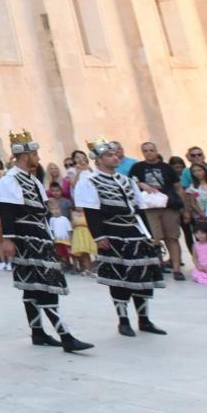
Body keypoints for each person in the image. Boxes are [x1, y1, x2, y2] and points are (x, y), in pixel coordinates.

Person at [0, 131, 92, 355]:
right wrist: (8, 239)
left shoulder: (32, 179)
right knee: (45, 285)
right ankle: (65, 335)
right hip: (25, 237)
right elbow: (7, 212)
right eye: (34, 153)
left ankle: (37, 332)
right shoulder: (9, 180)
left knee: (32, 287)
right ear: (25, 155)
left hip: (39, 235)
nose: (38, 158)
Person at [76, 138, 166, 336]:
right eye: (109, 155)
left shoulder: (126, 180)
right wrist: (99, 237)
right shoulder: (91, 181)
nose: (115, 157)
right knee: (119, 278)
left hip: (134, 232)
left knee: (142, 275)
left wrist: (148, 234)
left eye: (115, 154)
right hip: (112, 231)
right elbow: (92, 212)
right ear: (98, 160)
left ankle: (144, 319)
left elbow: (139, 208)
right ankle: (123, 320)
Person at [129, 141, 187, 281]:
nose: (149, 153)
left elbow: (178, 187)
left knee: (172, 238)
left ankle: (176, 269)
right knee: (153, 239)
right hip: (149, 207)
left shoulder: (166, 167)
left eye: (151, 150)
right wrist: (141, 184)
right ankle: (157, 267)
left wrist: (182, 206)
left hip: (168, 206)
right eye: (146, 151)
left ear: (156, 151)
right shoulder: (138, 167)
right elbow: (130, 183)